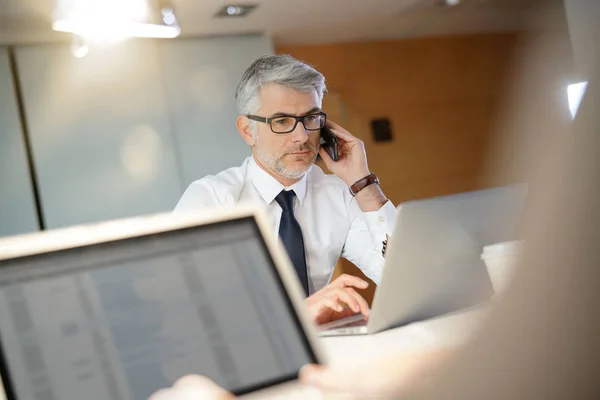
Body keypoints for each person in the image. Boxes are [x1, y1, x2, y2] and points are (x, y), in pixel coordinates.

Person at [174, 55, 397, 323]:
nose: (302, 137)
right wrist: (298, 315)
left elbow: (402, 275)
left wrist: (363, 182)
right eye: (281, 122)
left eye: (311, 118)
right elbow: (186, 307)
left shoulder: (337, 194)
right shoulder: (212, 199)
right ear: (247, 130)